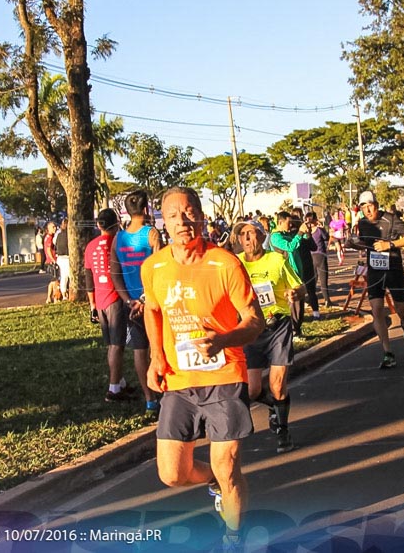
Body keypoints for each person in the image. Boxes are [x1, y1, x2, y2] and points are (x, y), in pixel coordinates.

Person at [140, 187, 265, 552]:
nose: (183, 220)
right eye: (174, 214)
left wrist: (224, 340)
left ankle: (233, 537)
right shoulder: (154, 267)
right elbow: (153, 310)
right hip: (179, 382)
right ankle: (213, 481)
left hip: (224, 376)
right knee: (171, 474)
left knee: (228, 467)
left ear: (202, 215)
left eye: (190, 212)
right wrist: (156, 358)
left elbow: (254, 321)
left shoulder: (225, 264)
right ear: (162, 221)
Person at [232, 220, 303, 454]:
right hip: (251, 329)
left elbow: (300, 287)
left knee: (277, 383)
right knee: (252, 391)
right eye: (244, 235)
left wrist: (295, 293)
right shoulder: (235, 265)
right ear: (239, 240)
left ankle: (283, 430)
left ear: (262, 237)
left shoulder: (277, 260)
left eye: (253, 234)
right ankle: (276, 407)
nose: (250, 240)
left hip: (277, 326)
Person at [347, 190, 404, 368]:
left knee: (401, 309)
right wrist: (353, 244)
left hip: (394, 268)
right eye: (364, 207)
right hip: (375, 271)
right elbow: (366, 244)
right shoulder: (362, 223)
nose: (368, 210)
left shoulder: (391, 219)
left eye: (370, 205)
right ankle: (387, 352)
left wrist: (389, 245)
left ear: (376, 205)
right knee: (376, 310)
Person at [111, 189, 163, 414]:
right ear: (145, 209)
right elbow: (158, 268)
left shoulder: (119, 237)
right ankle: (165, 392)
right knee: (160, 347)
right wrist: (143, 299)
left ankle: (149, 398)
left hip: (131, 305)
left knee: (139, 350)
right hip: (153, 300)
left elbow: (115, 273)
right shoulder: (151, 233)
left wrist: (128, 300)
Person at [85, 208, 140, 403]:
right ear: (116, 224)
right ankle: (114, 389)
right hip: (116, 298)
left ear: (99, 225)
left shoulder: (90, 246)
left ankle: (121, 382)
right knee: (118, 346)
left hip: (100, 301)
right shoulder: (118, 242)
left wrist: (92, 305)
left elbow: (89, 279)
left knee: (111, 344)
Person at [270, 212, 319, 330]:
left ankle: (297, 328)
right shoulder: (275, 237)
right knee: (293, 303)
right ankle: (293, 330)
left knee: (299, 303)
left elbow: (303, 241)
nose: (290, 225)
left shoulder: (287, 234)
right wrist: (300, 232)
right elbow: (290, 247)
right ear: (280, 222)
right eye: (288, 222)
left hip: (297, 275)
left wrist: (306, 233)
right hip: (287, 277)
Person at [305, 211, 333, 308]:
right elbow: (326, 237)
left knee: (313, 279)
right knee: (323, 279)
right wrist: (323, 228)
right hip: (320, 255)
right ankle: (327, 300)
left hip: (310, 256)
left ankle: (309, 299)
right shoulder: (319, 229)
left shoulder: (306, 231)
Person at [53, 217, 71, 299]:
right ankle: (66, 293)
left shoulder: (58, 235)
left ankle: (64, 294)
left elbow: (54, 243)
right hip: (67, 258)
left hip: (59, 258)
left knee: (63, 276)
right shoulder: (69, 235)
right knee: (69, 276)